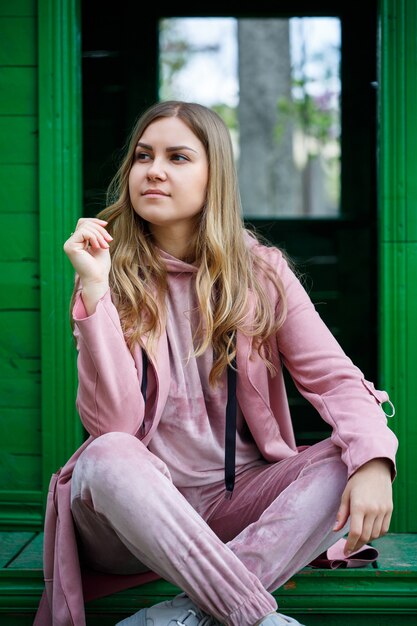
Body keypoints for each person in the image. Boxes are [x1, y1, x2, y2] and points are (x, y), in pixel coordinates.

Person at [34, 100, 398, 626]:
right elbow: (113, 423)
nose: (153, 170)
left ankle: (185, 615)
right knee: (108, 453)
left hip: (235, 506)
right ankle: (252, 616)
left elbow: (335, 378)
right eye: (143, 156)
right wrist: (94, 289)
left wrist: (373, 463)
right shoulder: (106, 272)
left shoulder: (261, 273)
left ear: (214, 179)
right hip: (130, 519)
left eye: (178, 157)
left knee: (351, 454)